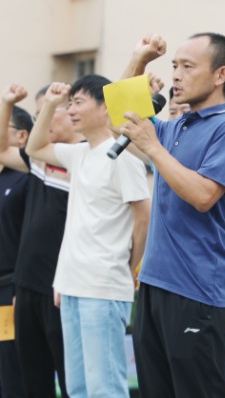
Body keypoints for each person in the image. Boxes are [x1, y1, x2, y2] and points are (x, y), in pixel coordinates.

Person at [120, 33, 225, 397]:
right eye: (174, 66)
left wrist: (152, 148)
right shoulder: (176, 125)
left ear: (220, 74)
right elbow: (122, 117)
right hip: (153, 285)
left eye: (187, 67)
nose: (176, 75)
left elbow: (203, 195)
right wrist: (140, 60)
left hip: (196, 292)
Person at [25, 75, 151, 398]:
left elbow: (144, 217)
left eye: (78, 102)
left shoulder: (122, 157)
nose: (71, 111)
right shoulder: (79, 154)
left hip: (103, 286)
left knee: (105, 388)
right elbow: (34, 147)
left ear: (104, 107)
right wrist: (51, 103)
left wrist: (129, 267)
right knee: (77, 388)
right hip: (71, 286)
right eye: (69, 104)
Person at [0, 84, 81, 398]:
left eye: (50, 108)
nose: (41, 119)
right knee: (32, 382)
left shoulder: (89, 157)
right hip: (28, 287)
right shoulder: (38, 160)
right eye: (37, 113)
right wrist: (7, 103)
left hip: (64, 288)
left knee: (73, 380)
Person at [0, 92, 32, 398]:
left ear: (22, 136)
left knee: (11, 369)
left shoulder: (29, 176)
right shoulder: (3, 177)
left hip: (12, 290)